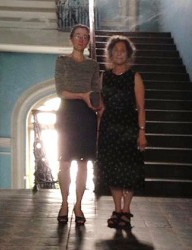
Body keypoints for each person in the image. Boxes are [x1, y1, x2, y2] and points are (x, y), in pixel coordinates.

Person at [96, 35, 147, 229]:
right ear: (110, 53)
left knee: (130, 169)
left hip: (129, 129)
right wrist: (98, 129)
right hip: (109, 128)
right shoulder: (104, 76)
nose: (119, 53)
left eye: (122, 51)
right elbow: (101, 106)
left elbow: (141, 108)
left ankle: (126, 210)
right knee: (112, 169)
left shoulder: (135, 77)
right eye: (115, 50)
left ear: (128, 54)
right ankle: (117, 209)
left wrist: (142, 132)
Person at [55, 24, 101, 225]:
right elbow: (61, 91)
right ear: (71, 39)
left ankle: (79, 205)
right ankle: (64, 203)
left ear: (88, 41)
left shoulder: (92, 65)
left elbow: (96, 90)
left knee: (83, 163)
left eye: (85, 37)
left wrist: (98, 108)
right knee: (64, 161)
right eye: (78, 36)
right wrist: (82, 95)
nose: (82, 40)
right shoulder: (62, 61)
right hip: (67, 113)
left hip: (87, 114)